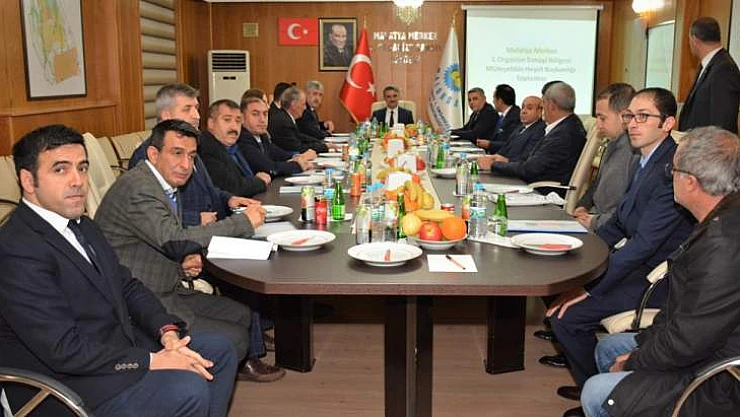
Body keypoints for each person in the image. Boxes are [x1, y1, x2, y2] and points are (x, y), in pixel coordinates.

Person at [0, 124, 237, 417]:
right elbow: (63, 349)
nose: (78, 181)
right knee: (186, 387)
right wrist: (152, 360)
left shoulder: (83, 225)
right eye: (60, 170)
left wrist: (166, 332)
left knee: (218, 350)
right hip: (66, 384)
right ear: (28, 180)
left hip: (113, 350)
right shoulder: (17, 249)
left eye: (82, 168)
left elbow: (127, 285)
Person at [95, 119, 286, 383]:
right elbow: (173, 240)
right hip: (143, 300)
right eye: (177, 153)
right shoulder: (139, 188)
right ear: (153, 154)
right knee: (235, 338)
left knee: (241, 314)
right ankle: (190, 389)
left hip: (166, 283)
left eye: (192, 156)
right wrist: (242, 223)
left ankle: (208, 374)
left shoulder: (162, 183)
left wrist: (181, 263)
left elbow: (155, 238)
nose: (186, 164)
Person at [547, 88, 695, 417]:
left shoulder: (671, 168)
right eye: (630, 116)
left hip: (659, 279)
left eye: (644, 116)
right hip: (636, 264)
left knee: (567, 318)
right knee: (562, 300)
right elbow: (618, 223)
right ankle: (597, 385)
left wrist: (589, 285)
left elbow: (643, 245)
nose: (633, 124)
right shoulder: (644, 158)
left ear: (668, 123)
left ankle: (604, 397)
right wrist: (576, 248)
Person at [581, 126, 740, 417]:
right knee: (609, 349)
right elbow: (683, 315)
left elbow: (690, 340)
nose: (669, 176)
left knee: (596, 392)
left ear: (690, 182)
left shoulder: (723, 244)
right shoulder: (720, 218)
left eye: (672, 170)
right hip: (699, 348)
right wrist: (642, 348)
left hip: (718, 376)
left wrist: (634, 361)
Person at [128, 83, 253, 227]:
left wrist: (229, 199)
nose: (197, 116)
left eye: (196, 108)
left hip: (215, 229)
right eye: (187, 109)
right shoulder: (148, 156)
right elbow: (147, 214)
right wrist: (195, 219)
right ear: (166, 115)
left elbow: (208, 190)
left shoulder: (189, 147)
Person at [483, 81, 586, 192]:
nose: (543, 109)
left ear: (551, 106)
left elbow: (530, 169)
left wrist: (493, 165)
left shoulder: (563, 134)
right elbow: (530, 161)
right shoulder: (567, 126)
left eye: (543, 104)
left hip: (543, 192)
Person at [573, 83, 638, 232]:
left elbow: (619, 207)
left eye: (602, 118)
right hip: (593, 219)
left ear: (624, 117)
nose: (598, 124)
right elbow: (597, 184)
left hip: (606, 228)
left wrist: (592, 221)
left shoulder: (634, 151)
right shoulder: (613, 143)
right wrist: (583, 206)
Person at [678, 17, 740, 134]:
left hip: (709, 144)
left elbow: (722, 123)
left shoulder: (724, 69)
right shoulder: (708, 65)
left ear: (694, 40)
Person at [198, 99, 272, 197]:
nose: (234, 127)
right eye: (227, 120)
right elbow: (233, 188)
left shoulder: (234, 147)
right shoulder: (207, 149)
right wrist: (260, 181)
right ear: (211, 123)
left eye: (238, 121)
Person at [239, 97, 314, 177]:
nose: (262, 120)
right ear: (242, 118)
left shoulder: (262, 136)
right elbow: (269, 167)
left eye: (265, 114)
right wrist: (298, 165)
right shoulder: (243, 139)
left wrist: (298, 157)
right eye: (255, 114)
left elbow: (279, 154)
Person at [477, 96, 545, 166]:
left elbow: (526, 159)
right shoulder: (520, 127)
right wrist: (492, 158)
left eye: (529, 108)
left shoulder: (540, 131)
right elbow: (505, 148)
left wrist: (505, 160)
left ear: (540, 112)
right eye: (523, 107)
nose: (523, 111)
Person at [268, 86, 330, 154]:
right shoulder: (284, 122)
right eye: (303, 104)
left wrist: (320, 143)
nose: (305, 108)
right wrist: (323, 146)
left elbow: (299, 136)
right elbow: (298, 147)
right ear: (294, 104)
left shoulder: (285, 117)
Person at [476, 84, 521, 153]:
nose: (493, 101)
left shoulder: (516, 116)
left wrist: (489, 144)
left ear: (500, 100)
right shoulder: (503, 116)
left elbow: (511, 144)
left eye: (494, 98)